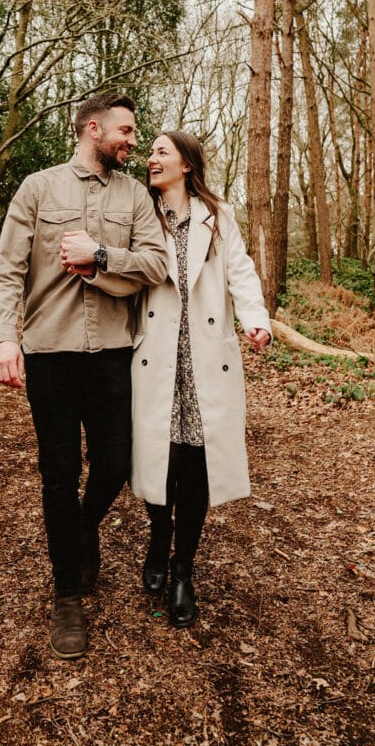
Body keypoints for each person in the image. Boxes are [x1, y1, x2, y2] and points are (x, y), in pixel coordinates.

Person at [0, 92, 167, 660]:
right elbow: (5, 271)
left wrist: (102, 256)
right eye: (126, 131)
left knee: (116, 461)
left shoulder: (134, 195)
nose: (133, 141)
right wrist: (4, 337)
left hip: (114, 353)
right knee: (59, 475)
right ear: (94, 129)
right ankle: (67, 595)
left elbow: (156, 263)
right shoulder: (37, 188)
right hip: (51, 355)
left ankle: (83, 527)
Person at [130, 130, 271, 629]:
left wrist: (255, 318)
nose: (151, 159)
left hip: (204, 360)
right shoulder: (141, 213)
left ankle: (183, 568)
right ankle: (158, 538)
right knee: (157, 458)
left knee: (195, 468)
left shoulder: (219, 215)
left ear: (186, 164)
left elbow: (241, 271)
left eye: (161, 152)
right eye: (150, 152)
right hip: (155, 357)